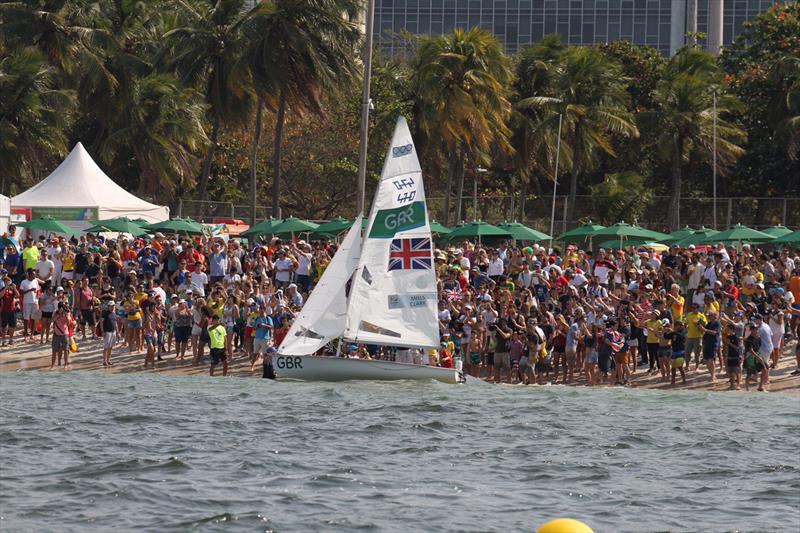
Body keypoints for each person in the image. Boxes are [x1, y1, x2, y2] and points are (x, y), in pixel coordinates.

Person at [19, 269, 40, 342]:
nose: (34, 276)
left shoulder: (36, 281)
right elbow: (21, 293)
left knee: (34, 318)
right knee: (26, 319)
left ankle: (32, 334)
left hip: (35, 302)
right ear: (29, 275)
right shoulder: (24, 282)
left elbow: (37, 290)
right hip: (27, 302)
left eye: (35, 275)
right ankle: (26, 335)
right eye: (33, 275)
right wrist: (29, 290)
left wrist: (37, 296)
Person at [251, 305, 273, 371]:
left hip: (265, 338)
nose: (260, 310)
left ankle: (265, 367)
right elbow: (254, 328)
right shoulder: (257, 318)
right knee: (255, 353)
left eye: (262, 309)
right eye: (260, 309)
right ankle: (252, 366)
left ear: (264, 310)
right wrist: (257, 326)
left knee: (265, 354)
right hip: (257, 337)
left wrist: (264, 325)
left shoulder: (268, 318)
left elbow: (271, 327)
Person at [0, 274, 19, 346]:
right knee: (3, 326)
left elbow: (18, 295)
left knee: (12, 325)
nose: (8, 283)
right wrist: (6, 288)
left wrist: (14, 288)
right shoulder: (2, 289)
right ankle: (3, 340)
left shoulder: (12, 289)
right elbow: (0, 296)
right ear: (4, 283)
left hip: (12, 310)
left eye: (9, 281)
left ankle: (11, 339)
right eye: (6, 282)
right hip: (4, 310)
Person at [50, 303, 71, 369]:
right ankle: (52, 365)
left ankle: (65, 365)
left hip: (65, 333)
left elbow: (68, 323)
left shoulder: (67, 312)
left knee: (66, 350)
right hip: (56, 334)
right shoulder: (55, 312)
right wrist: (58, 314)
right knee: (54, 350)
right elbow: (52, 320)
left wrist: (65, 315)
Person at [101, 301, 117, 367]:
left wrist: (118, 332)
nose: (112, 307)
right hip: (107, 332)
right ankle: (104, 361)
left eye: (113, 306)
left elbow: (115, 323)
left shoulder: (114, 313)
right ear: (108, 307)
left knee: (110, 347)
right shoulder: (105, 313)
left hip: (113, 332)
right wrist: (102, 331)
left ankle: (108, 360)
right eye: (111, 306)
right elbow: (101, 322)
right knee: (106, 347)